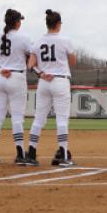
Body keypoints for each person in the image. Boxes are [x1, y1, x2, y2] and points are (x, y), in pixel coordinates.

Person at [26, 9, 77, 166]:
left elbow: (30, 65)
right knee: (61, 119)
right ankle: (63, 155)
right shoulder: (65, 40)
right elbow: (73, 61)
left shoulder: (39, 41)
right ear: (58, 24)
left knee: (39, 119)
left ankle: (31, 153)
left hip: (44, 82)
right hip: (60, 80)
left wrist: (41, 73)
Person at [0, 9, 31, 165]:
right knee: (17, 117)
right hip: (16, 77)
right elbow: (32, 59)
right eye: (20, 21)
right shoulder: (24, 38)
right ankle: (19, 153)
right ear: (17, 22)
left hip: (0, 77)